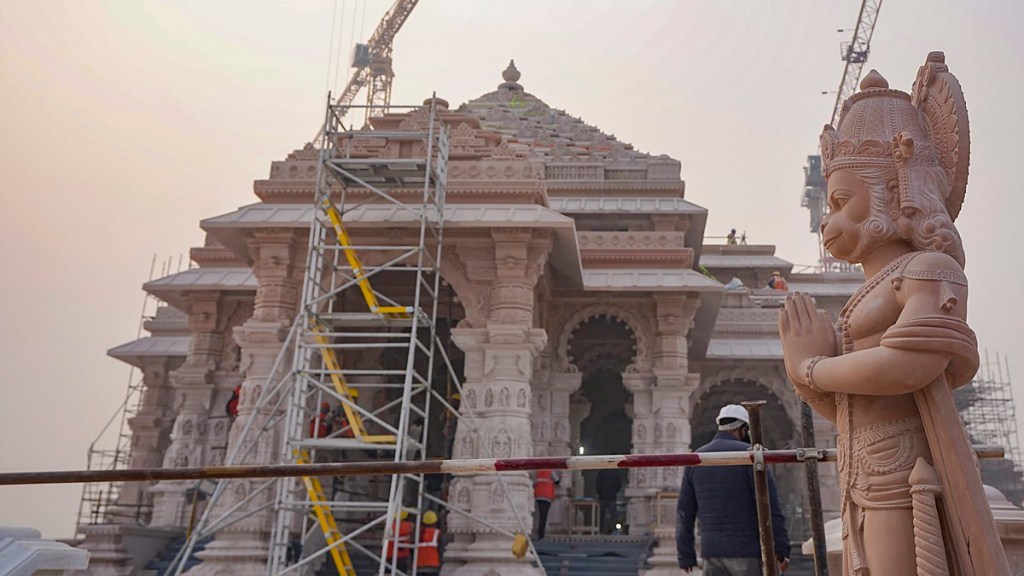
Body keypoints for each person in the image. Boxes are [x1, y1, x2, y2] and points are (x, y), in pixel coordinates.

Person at [779, 58, 1010, 573]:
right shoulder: (865, 295)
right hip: (866, 465)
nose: (826, 222)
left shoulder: (929, 271)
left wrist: (811, 369)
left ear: (894, 192)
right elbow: (851, 401)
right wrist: (810, 377)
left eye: (841, 202)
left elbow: (911, 365)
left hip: (911, 471)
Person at [677, 404, 790, 575]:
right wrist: (781, 548)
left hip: (712, 551)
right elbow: (770, 505)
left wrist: (685, 555)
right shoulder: (749, 456)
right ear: (744, 429)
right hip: (747, 552)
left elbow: (684, 512)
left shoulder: (697, 458)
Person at [533, 469, 560, 540]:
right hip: (546, 496)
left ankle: (539, 532)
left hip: (538, 496)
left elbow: (534, 483)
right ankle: (541, 534)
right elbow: (557, 481)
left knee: (540, 515)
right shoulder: (551, 472)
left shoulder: (538, 472)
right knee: (543, 516)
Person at [596, 468, 623, 534]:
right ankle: (614, 530)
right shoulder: (616, 472)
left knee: (601, 515)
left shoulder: (601, 472)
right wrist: (614, 492)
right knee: (614, 515)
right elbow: (619, 484)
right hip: (612, 497)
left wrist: (600, 492)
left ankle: (600, 530)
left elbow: (598, 484)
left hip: (602, 497)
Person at [415, 510, 441, 575]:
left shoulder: (419, 533)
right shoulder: (437, 532)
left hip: (419, 565)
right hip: (433, 565)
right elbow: (441, 548)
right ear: (435, 522)